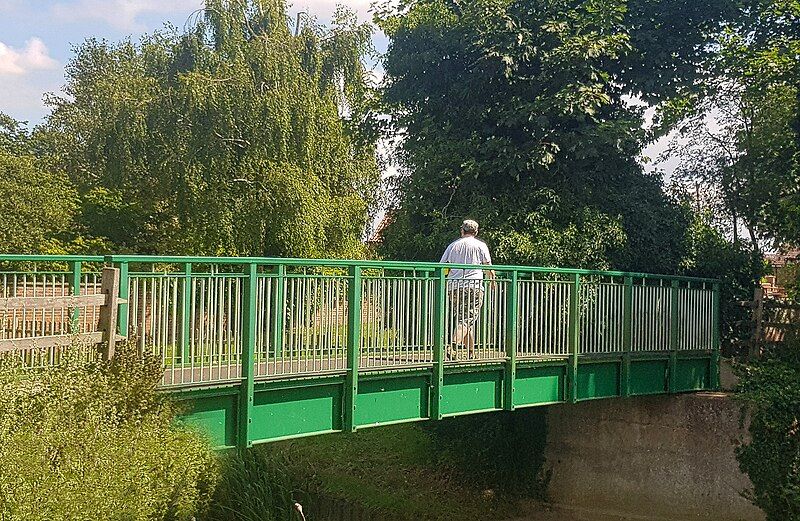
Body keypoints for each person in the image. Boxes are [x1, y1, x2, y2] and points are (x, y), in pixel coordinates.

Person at [439, 219, 494, 359]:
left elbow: (443, 266)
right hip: (474, 287)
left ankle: (471, 353)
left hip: (455, 287)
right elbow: (488, 266)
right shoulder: (480, 245)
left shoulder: (453, 246)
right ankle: (452, 345)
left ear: (462, 230)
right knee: (466, 320)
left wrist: (447, 279)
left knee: (465, 320)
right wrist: (493, 281)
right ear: (476, 232)